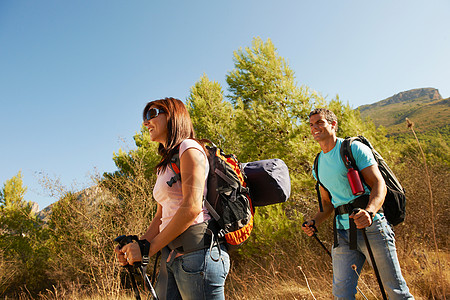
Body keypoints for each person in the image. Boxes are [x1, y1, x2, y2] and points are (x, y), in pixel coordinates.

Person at [115, 97, 230, 300]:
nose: (145, 122)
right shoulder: (165, 165)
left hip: (199, 256)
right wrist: (136, 247)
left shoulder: (189, 148)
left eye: (151, 114)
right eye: (145, 117)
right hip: (173, 258)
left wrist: (148, 249)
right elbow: (160, 218)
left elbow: (192, 208)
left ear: (172, 116)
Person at [302, 108, 413, 299]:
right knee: (342, 294)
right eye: (312, 125)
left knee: (396, 291)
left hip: (373, 228)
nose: (315, 128)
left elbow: (380, 185)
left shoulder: (353, 149)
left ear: (333, 124)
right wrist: (314, 222)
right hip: (343, 233)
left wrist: (369, 212)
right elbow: (328, 204)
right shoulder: (317, 164)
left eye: (320, 122)